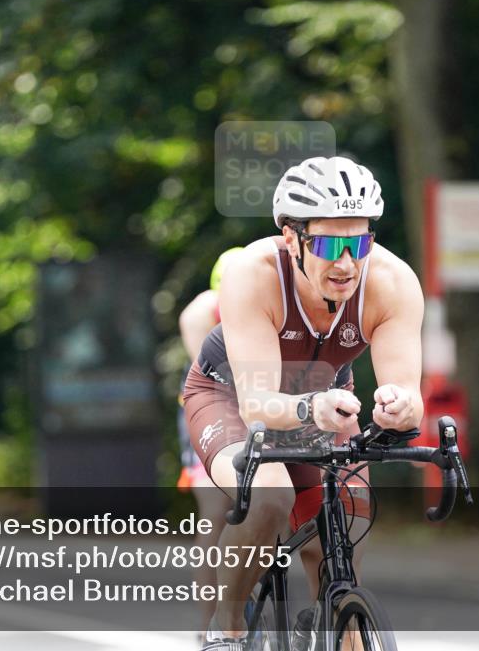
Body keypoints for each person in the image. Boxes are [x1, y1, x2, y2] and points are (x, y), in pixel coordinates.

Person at [182, 156, 425, 650]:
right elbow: (256, 407)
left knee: (345, 531)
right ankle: (225, 627)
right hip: (229, 397)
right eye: (331, 245)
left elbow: (411, 399)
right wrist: (310, 407)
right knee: (270, 497)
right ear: (292, 239)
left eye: (358, 244)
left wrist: (398, 406)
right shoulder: (254, 272)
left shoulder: (393, 284)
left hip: (327, 403)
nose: (346, 264)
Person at [176, 247, 244, 634]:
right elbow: (216, 375)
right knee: (215, 514)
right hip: (210, 408)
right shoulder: (200, 313)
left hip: (256, 405)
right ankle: (208, 622)